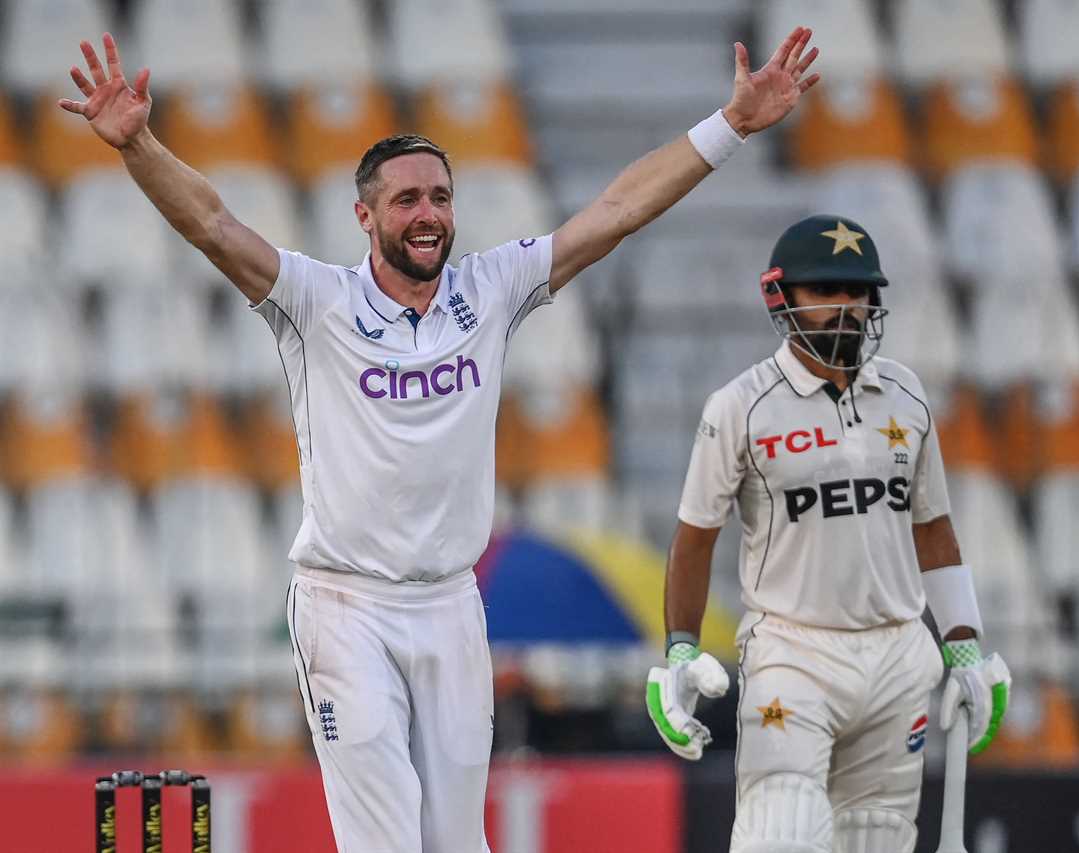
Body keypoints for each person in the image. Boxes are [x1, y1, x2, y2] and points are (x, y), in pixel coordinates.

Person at [59, 28, 820, 853]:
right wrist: (138, 146)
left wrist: (732, 126)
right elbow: (211, 223)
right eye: (407, 199)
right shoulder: (317, 304)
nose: (429, 215)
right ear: (365, 214)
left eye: (441, 197)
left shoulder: (490, 289)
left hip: (452, 603)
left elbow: (617, 211)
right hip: (345, 604)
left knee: (459, 844)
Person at [646, 216, 1013, 853]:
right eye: (826, 292)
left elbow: (932, 528)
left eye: (858, 292)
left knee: (874, 840)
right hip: (792, 651)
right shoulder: (740, 406)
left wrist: (963, 645)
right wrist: (680, 649)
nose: (846, 308)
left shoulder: (906, 394)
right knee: (778, 832)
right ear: (781, 299)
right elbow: (695, 538)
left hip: (898, 653)